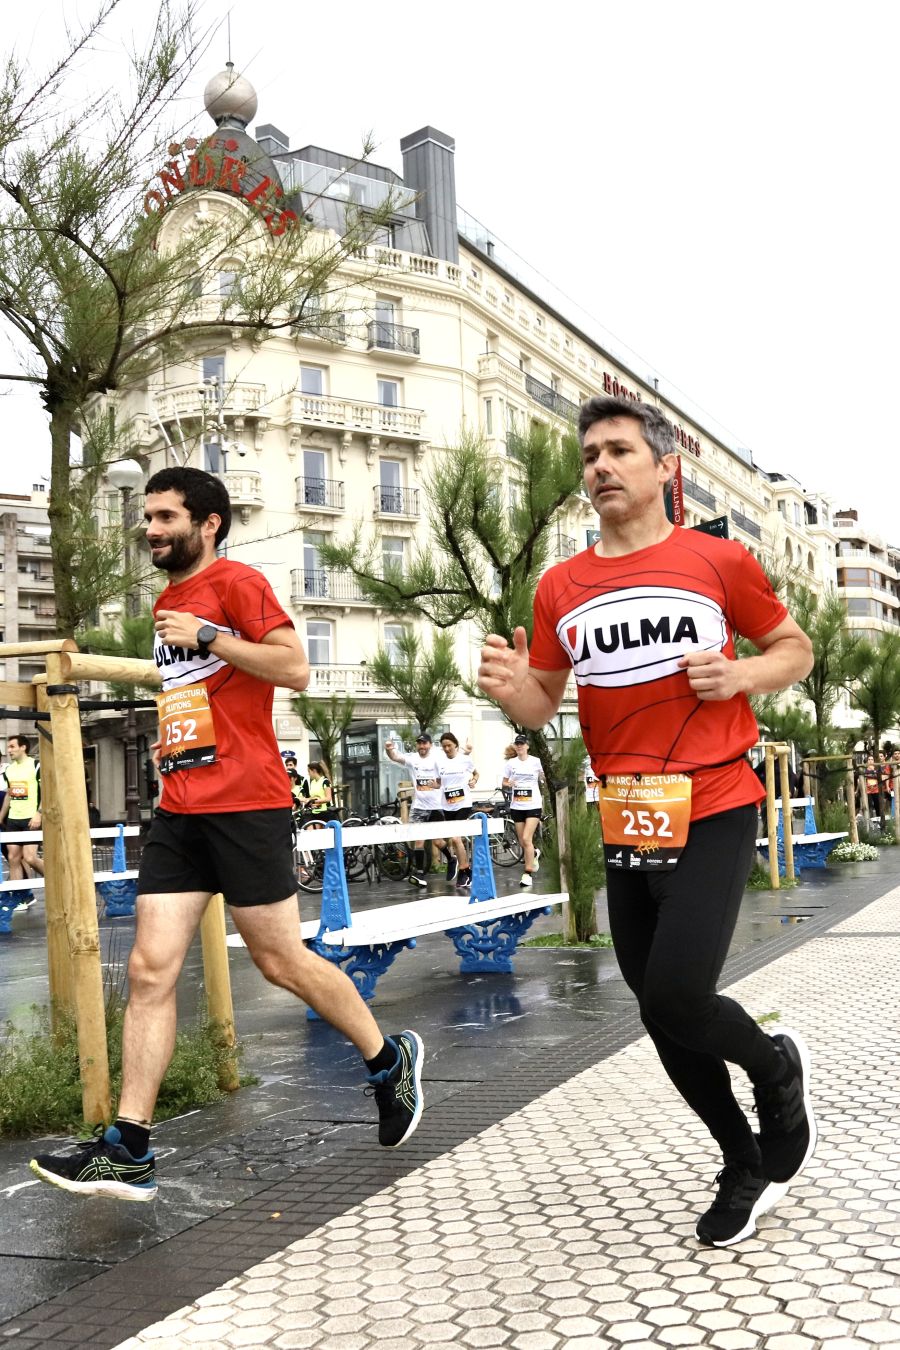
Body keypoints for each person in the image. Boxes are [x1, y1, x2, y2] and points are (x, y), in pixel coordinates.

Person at [30, 466, 423, 1202]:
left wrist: (210, 633)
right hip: (182, 804)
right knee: (149, 969)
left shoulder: (238, 584)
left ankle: (387, 1060)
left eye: (165, 517)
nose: (151, 529)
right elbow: (194, 690)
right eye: (148, 517)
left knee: (279, 961)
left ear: (208, 523)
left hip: (246, 802)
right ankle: (130, 1147)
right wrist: (173, 739)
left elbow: (294, 669)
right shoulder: (166, 601)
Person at [478, 395, 816, 1248]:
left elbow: (795, 650)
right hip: (627, 814)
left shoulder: (718, 560)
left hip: (717, 802)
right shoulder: (560, 586)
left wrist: (741, 677)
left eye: (619, 450)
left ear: (666, 467)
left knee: (677, 992)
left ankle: (775, 1068)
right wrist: (513, 689)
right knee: (656, 1008)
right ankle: (742, 1159)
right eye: (590, 454)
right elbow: (543, 701)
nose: (600, 465)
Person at [385, 732, 448, 888]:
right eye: (419, 743)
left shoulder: (437, 759)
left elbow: (444, 778)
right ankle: (419, 873)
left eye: (424, 743)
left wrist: (437, 785)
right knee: (418, 840)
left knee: (437, 841)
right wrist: (389, 749)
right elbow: (395, 757)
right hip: (419, 807)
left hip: (436, 806)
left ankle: (451, 859)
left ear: (430, 745)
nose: (422, 746)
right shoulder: (413, 759)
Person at [0, 734, 44, 906]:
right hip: (13, 819)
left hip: (31, 819)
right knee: (13, 858)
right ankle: (19, 898)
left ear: (23, 747)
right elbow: (9, 796)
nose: (9, 750)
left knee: (30, 857)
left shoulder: (35, 765)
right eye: (8, 747)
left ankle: (58, 882)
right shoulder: (9, 770)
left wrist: (39, 813)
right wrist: (1, 816)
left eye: (12, 746)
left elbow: (46, 791)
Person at [437, 731, 478, 890]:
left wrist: (473, 781)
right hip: (447, 805)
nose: (447, 749)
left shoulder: (464, 759)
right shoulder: (439, 762)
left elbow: (476, 774)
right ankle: (467, 871)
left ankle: (464, 871)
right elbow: (439, 782)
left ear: (456, 745)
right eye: (444, 747)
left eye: (449, 745)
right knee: (455, 839)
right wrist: (431, 785)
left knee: (455, 838)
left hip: (463, 803)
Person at [502, 734, 545, 887]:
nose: (519, 746)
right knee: (522, 841)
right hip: (517, 806)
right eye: (517, 744)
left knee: (527, 839)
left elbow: (543, 777)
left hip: (533, 805)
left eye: (522, 744)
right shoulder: (511, 763)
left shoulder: (536, 761)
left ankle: (527, 874)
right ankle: (534, 853)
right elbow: (504, 782)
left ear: (527, 746)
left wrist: (544, 778)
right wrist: (509, 783)